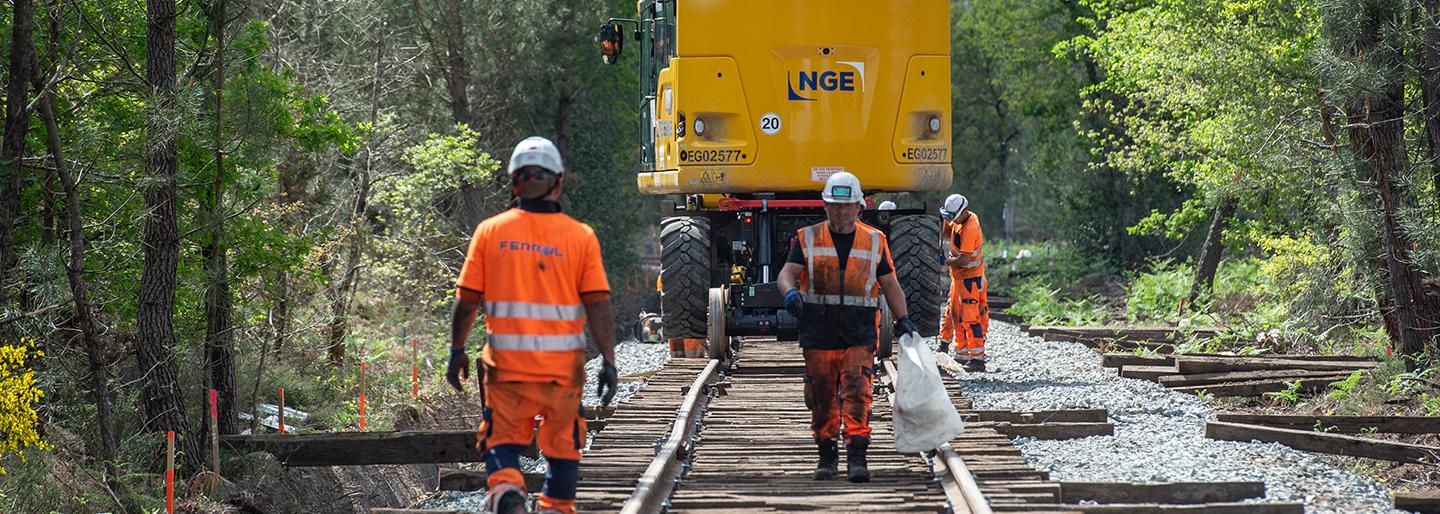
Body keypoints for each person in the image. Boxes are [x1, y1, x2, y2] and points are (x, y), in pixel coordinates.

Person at [447, 136, 619, 514]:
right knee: (563, 444)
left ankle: (508, 493)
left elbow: (466, 301)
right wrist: (608, 360)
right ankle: (556, 506)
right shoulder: (580, 237)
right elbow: (599, 306)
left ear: (514, 182)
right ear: (557, 183)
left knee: (501, 439)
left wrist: (457, 350)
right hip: (561, 371)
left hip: (507, 369)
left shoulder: (490, 232)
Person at [776, 171, 918, 483]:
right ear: (825, 206)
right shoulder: (807, 238)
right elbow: (787, 273)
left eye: (847, 205)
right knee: (822, 397)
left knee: (857, 392)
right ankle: (826, 456)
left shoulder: (874, 240)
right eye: (835, 206)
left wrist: (903, 318)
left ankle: (857, 457)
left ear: (858, 207)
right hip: (818, 332)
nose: (841, 211)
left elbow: (890, 283)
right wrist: (788, 292)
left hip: (858, 332)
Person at [938, 193, 989, 373]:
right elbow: (949, 229)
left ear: (963, 211)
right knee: (953, 313)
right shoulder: (961, 220)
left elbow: (964, 259)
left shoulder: (969, 229)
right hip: (960, 277)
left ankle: (977, 360)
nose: (951, 220)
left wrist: (944, 261)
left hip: (969, 279)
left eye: (953, 217)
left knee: (970, 318)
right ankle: (958, 353)